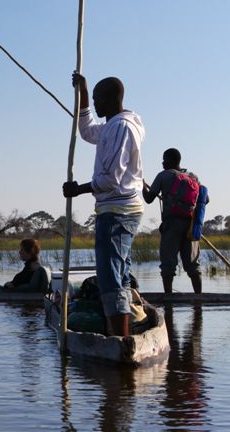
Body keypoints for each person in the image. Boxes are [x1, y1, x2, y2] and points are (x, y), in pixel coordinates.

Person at [62, 73, 145, 337]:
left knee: (109, 277)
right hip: (115, 209)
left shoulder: (122, 127)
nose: (95, 105)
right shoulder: (112, 126)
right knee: (118, 272)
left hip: (118, 211)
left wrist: (79, 189)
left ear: (111, 99)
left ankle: (119, 338)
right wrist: (83, 93)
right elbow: (87, 131)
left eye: (98, 100)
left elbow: (110, 179)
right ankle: (124, 328)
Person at [143, 148, 204, 294]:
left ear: (171, 160)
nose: (162, 162)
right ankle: (198, 299)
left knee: (168, 264)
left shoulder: (163, 176)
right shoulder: (192, 177)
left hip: (172, 225)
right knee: (193, 265)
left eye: (164, 159)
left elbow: (149, 199)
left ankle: (168, 300)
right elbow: (205, 199)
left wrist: (143, 186)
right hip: (191, 226)